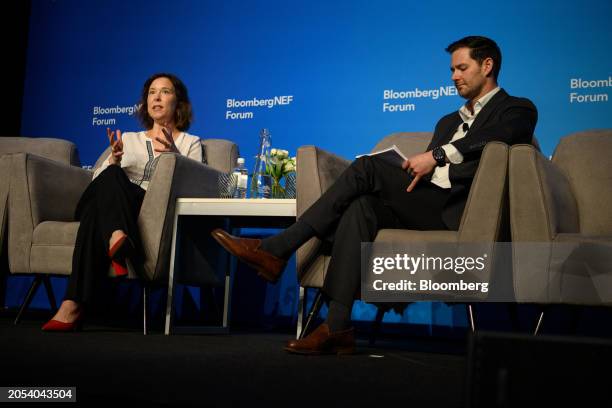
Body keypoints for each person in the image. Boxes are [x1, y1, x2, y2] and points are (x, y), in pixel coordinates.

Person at [211, 36, 538, 354]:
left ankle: (277, 248)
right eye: (452, 70)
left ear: (488, 65)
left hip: (462, 210)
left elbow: (500, 137)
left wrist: (437, 156)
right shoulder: (448, 121)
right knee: (360, 207)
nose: (454, 77)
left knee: (366, 168)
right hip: (424, 203)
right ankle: (337, 327)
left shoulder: (516, 109)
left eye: (462, 68)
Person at [42, 73, 203, 331]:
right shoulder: (128, 139)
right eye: (152, 92)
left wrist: (176, 159)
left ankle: (72, 304)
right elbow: (96, 183)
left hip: (144, 209)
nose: (157, 97)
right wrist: (115, 159)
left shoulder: (189, 143)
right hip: (109, 200)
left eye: (165, 91)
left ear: (179, 102)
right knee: (111, 173)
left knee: (97, 213)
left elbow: (196, 186)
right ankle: (117, 232)